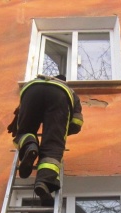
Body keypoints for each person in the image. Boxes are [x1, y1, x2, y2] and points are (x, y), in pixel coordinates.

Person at [7, 74, 84, 205]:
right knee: (53, 146)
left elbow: (20, 113)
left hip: (31, 90)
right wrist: (59, 131)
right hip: (59, 96)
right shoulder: (69, 91)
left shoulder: (37, 82)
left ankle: (29, 145)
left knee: (25, 132)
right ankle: (44, 182)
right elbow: (77, 123)